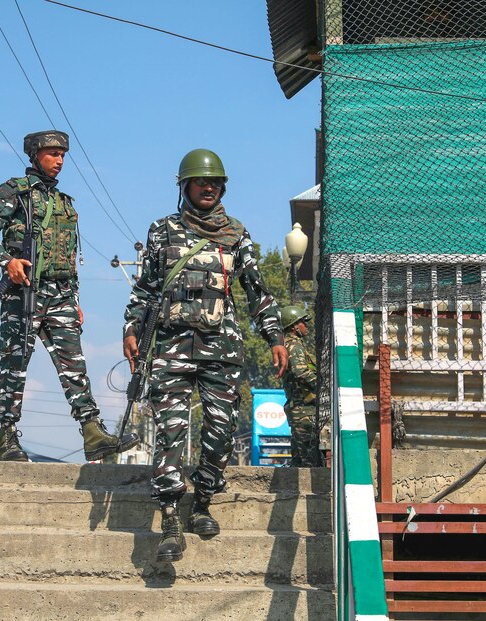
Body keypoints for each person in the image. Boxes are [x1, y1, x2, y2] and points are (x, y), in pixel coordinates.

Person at [123, 149, 288, 562]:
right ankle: (170, 519)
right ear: (185, 187)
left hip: (221, 349)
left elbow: (256, 289)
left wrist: (275, 337)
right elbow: (145, 288)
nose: (209, 188)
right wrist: (131, 328)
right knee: (171, 431)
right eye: (201, 182)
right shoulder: (162, 231)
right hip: (170, 347)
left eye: (215, 183)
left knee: (220, 428)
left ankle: (202, 503)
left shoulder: (236, 234)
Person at [0, 130, 139, 462]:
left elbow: (68, 255)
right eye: (52, 154)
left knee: (74, 365)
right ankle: (7, 436)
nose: (59, 160)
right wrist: (8, 262)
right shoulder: (14, 193)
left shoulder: (64, 203)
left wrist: (75, 300)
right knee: (14, 366)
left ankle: (92, 431)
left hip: (61, 295)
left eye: (62, 155)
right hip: (24, 294)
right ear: (35, 155)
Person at [280, 306, 321, 467]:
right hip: (303, 408)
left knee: (299, 456)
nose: (306, 325)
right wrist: (322, 387)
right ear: (294, 326)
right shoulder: (294, 345)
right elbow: (300, 371)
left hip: (299, 406)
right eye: (303, 322)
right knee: (308, 456)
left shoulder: (291, 344)